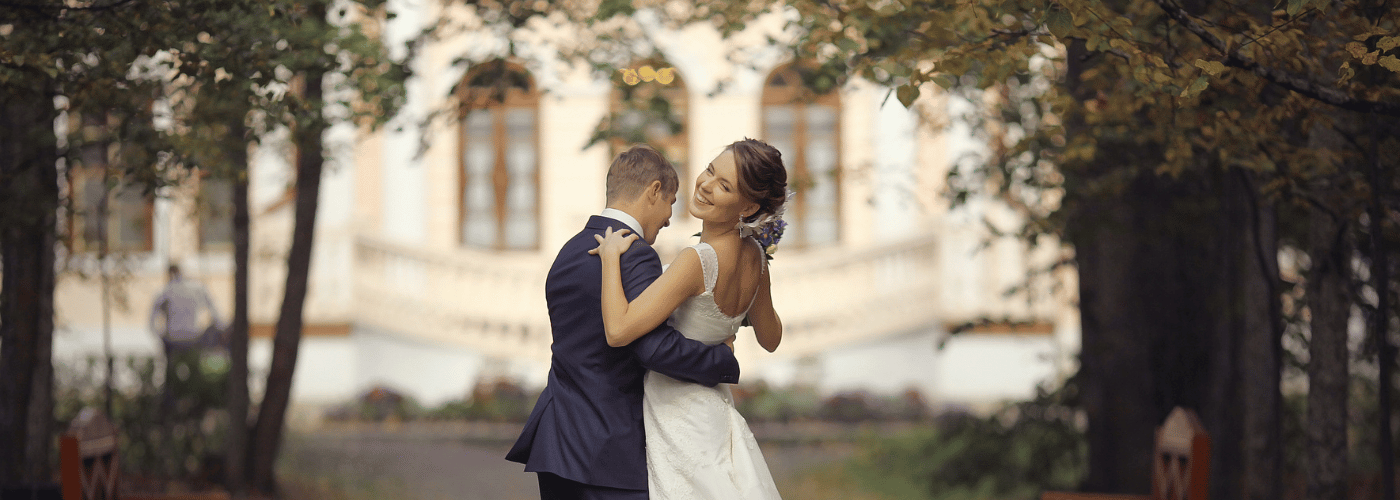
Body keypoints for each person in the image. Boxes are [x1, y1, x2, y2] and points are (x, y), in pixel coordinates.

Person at [506, 145, 742, 499]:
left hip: (557, 441)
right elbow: (652, 347)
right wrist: (722, 359)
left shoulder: (568, 250)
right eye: (671, 202)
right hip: (609, 450)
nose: (667, 218)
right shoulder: (635, 254)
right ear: (654, 191)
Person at [591, 138, 788, 499]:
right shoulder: (757, 260)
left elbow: (619, 331)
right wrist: (729, 322)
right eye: (711, 170)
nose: (706, 185)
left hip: (675, 413)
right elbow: (771, 338)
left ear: (748, 206)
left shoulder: (696, 260)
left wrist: (609, 260)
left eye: (725, 186)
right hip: (713, 409)